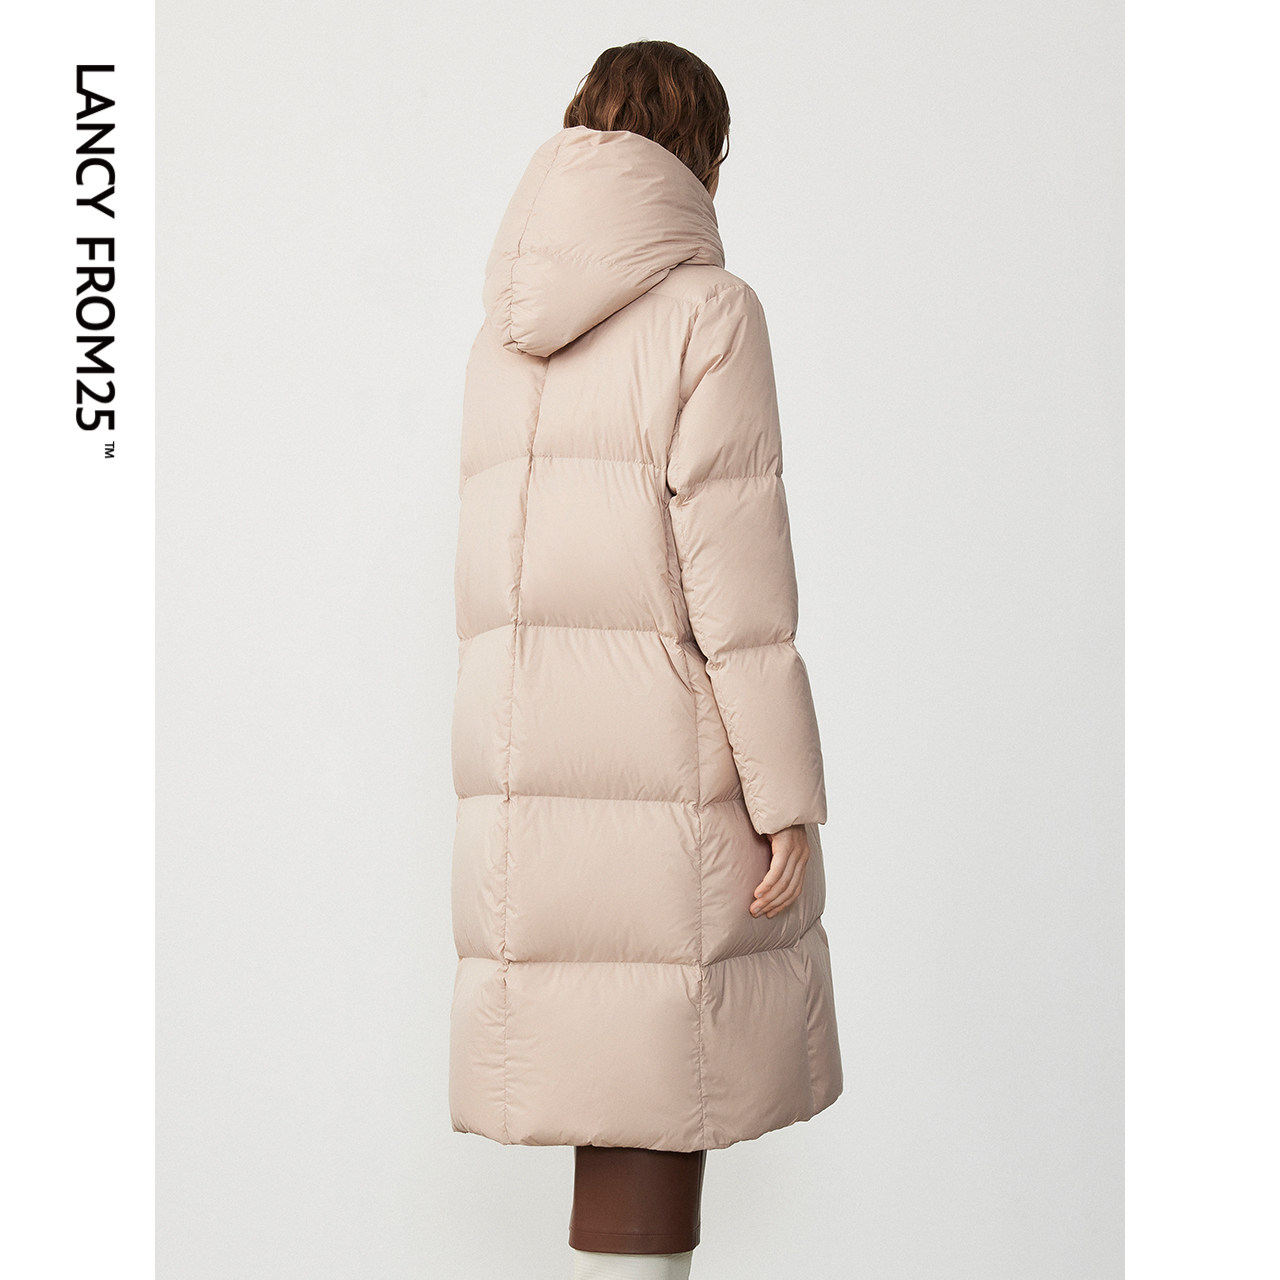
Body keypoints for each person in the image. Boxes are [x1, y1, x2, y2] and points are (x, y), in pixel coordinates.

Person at [449, 40, 843, 1280]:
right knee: (661, 1074)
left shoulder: (503, 330)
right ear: (702, 159)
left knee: (614, 1078)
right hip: (665, 763)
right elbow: (737, 584)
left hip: (525, 771)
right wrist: (786, 796)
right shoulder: (709, 312)